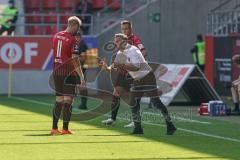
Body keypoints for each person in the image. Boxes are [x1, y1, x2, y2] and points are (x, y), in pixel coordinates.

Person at [102, 33, 176, 135]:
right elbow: (114, 67)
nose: (115, 43)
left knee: (156, 102)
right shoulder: (120, 53)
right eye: (115, 41)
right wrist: (106, 67)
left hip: (147, 77)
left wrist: (122, 65)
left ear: (124, 41)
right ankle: (138, 129)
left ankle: (170, 125)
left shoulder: (133, 50)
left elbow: (136, 67)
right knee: (134, 102)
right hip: (137, 79)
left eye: (117, 41)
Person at [102, 20, 150, 127]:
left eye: (126, 29)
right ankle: (113, 118)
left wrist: (135, 60)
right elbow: (117, 60)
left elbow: (144, 52)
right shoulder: (120, 41)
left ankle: (136, 120)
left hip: (133, 71)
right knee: (116, 93)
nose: (125, 30)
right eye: (123, 29)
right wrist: (107, 67)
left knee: (134, 97)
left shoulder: (134, 40)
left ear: (131, 28)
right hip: (123, 72)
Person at [51, 16, 85, 135]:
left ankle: (54, 128)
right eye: (78, 27)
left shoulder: (56, 35)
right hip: (68, 73)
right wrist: (81, 76)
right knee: (68, 100)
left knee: (59, 100)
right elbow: (75, 59)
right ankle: (65, 129)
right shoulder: (72, 40)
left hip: (56, 72)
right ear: (74, 25)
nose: (78, 30)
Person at [75, 31, 88, 109]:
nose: (75, 39)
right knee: (79, 86)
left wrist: (73, 59)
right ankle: (82, 103)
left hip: (81, 68)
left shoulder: (82, 45)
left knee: (82, 86)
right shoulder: (78, 45)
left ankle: (84, 104)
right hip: (77, 68)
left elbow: (83, 58)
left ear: (79, 37)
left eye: (77, 37)